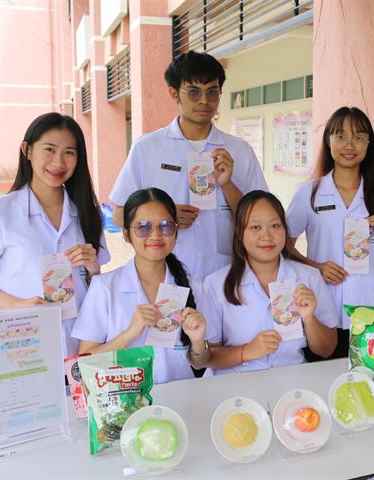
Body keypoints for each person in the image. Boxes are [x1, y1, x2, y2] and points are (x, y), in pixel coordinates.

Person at [109, 50, 267, 278]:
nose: (204, 101)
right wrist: (167, 216)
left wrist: (228, 185)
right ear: (174, 93)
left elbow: (261, 218)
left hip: (226, 276)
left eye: (212, 92)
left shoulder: (239, 151)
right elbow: (119, 214)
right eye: (194, 92)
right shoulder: (147, 148)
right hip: (165, 276)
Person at [286, 107, 374, 360]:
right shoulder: (309, 192)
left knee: (368, 380)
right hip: (323, 302)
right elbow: (285, 245)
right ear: (328, 141)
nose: (349, 145)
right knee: (323, 377)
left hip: (367, 306)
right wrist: (316, 267)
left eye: (359, 137)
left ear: (368, 144)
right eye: (340, 136)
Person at [0, 112, 110, 357]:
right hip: (23, 345)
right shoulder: (1, 213)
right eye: (49, 149)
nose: (59, 162)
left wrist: (93, 270)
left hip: (81, 346)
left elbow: (97, 288)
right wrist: (19, 306)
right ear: (27, 150)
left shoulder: (88, 212)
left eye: (69, 152)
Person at [72, 188, 209, 384]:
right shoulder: (104, 288)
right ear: (127, 234)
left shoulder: (194, 285)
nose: (155, 235)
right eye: (143, 227)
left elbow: (200, 364)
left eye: (165, 226)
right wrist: (130, 333)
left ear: (176, 232)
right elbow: (83, 364)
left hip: (180, 405)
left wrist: (197, 341)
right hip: (125, 407)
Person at [201, 190, 337, 375]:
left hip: (291, 382)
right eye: (256, 227)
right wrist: (247, 351)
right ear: (240, 232)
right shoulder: (215, 284)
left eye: (275, 225)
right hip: (236, 389)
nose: (267, 236)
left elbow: (326, 349)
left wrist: (309, 319)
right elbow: (208, 357)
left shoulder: (309, 277)